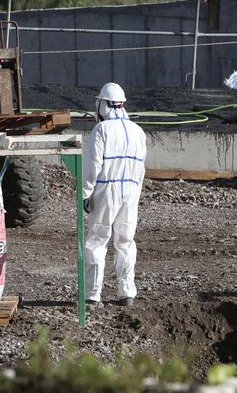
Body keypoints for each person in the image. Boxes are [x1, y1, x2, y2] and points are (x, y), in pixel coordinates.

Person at [82, 83, 147, 308]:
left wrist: (85, 193)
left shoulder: (101, 130)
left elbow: (92, 166)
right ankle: (127, 293)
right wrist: (136, 192)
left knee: (97, 239)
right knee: (126, 241)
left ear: (105, 104)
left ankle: (92, 295)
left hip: (105, 190)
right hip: (131, 191)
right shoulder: (138, 131)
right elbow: (141, 168)